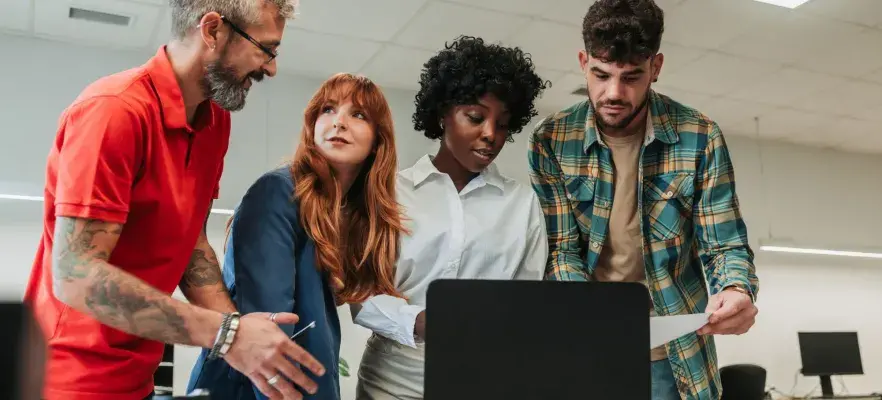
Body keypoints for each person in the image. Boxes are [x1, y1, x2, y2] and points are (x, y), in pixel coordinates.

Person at [22, 1, 327, 399]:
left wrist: (242, 333)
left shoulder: (214, 121)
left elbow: (191, 243)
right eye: (266, 49)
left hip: (137, 379)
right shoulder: (113, 112)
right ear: (213, 30)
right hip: (64, 380)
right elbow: (76, 277)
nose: (271, 68)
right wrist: (228, 335)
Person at [527, 0, 760, 399]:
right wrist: (585, 311)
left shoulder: (700, 136)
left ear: (656, 67)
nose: (614, 92)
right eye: (601, 75)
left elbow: (723, 244)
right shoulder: (551, 139)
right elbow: (562, 249)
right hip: (590, 344)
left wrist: (737, 289)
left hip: (674, 354)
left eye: (632, 76)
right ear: (583, 62)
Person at [352, 35, 551, 400]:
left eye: (503, 124)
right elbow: (359, 294)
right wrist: (420, 321)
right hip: (391, 383)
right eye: (475, 117)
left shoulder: (521, 204)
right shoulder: (389, 193)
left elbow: (528, 302)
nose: (490, 134)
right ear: (443, 113)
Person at [187, 72, 406, 400]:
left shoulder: (345, 215)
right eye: (328, 110)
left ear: (378, 140)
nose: (339, 123)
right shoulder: (279, 192)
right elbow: (271, 338)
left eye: (358, 115)